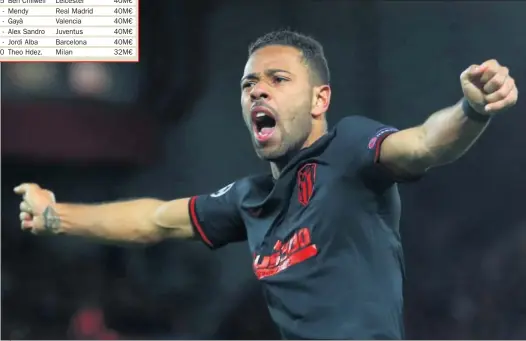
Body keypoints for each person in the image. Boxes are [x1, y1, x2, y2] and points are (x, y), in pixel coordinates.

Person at [15, 30, 518, 339]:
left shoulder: (350, 150)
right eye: (248, 84)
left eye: (278, 79)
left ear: (320, 100)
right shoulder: (248, 200)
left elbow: (424, 143)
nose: (257, 89)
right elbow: (153, 219)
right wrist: (59, 216)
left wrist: (473, 109)